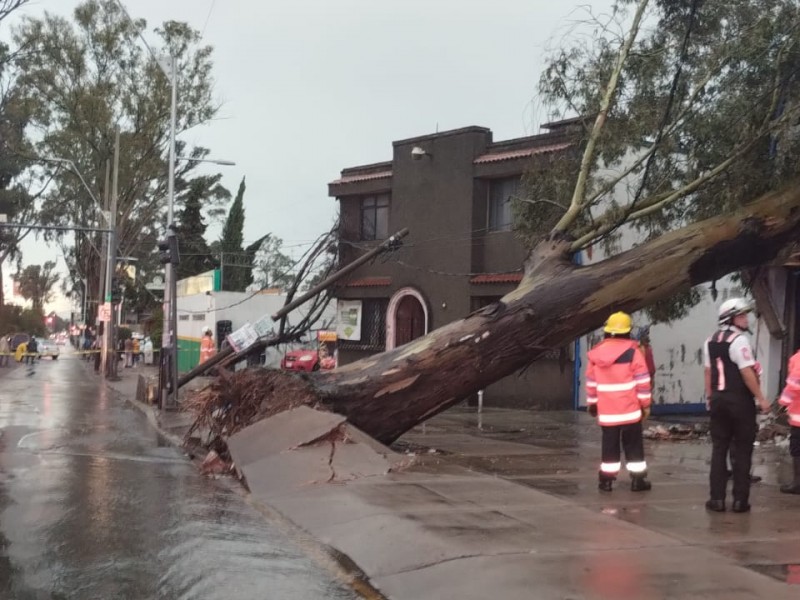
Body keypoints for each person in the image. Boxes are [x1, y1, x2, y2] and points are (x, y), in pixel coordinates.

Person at [703, 298, 771, 513]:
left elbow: (708, 371)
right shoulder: (739, 341)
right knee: (742, 450)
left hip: (718, 400)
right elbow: (746, 372)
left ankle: (717, 499)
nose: (746, 318)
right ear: (730, 318)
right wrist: (760, 397)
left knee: (719, 449)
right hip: (739, 401)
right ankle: (740, 501)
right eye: (741, 315)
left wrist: (709, 396)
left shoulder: (709, 341)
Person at [586, 311, 653, 492]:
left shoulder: (596, 354)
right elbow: (642, 381)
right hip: (630, 410)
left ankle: (606, 481)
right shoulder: (633, 352)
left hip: (608, 413)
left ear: (608, 331)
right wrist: (645, 404)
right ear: (627, 331)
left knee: (609, 446)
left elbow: (591, 383)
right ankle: (637, 481)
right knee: (633, 446)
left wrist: (592, 404)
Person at [778, 347, 800, 494]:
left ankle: (798, 483)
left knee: (797, 449)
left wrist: (782, 403)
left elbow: (795, 383)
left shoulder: (798, 359)